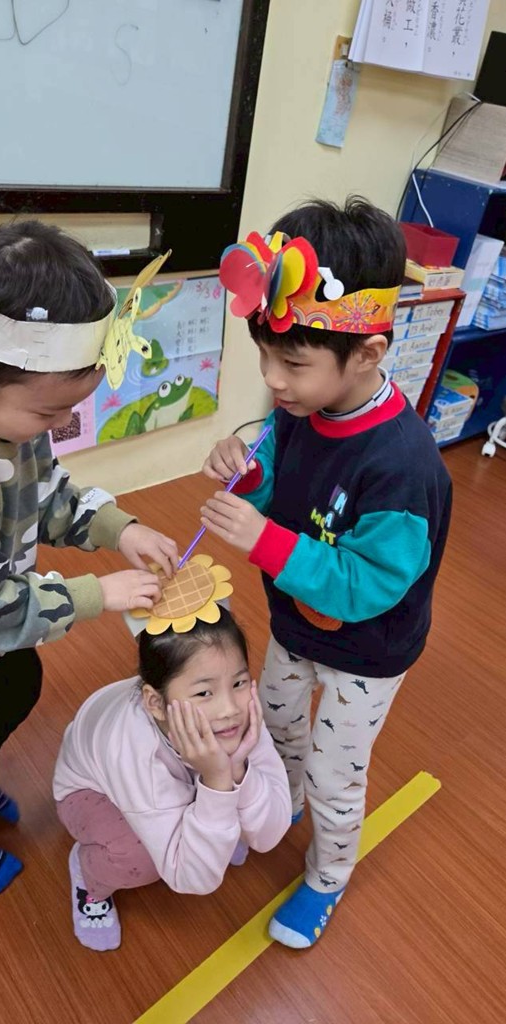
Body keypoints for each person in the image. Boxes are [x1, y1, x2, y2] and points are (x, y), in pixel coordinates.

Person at [200, 197, 452, 948]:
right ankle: (282, 802)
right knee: (276, 727)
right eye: (265, 357)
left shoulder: (404, 468)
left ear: (367, 354)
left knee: (335, 779)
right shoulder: (298, 411)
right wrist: (250, 476)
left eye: (293, 364)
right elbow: (280, 479)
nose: (273, 381)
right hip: (293, 623)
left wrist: (265, 542)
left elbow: (369, 585)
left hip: (366, 653)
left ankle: (327, 876)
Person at [0, 220, 178, 899]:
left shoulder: (13, 419)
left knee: (16, 686)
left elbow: (47, 493)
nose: (61, 425)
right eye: (49, 414)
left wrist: (118, 529)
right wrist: (100, 594)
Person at [53, 608, 291, 951]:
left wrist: (237, 766)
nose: (229, 709)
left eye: (239, 682)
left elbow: (268, 837)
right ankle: (90, 876)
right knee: (140, 860)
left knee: (233, 802)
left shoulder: (235, 717)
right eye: (204, 693)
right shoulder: (135, 753)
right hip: (89, 792)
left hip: (176, 770)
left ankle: (213, 799)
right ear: (156, 702)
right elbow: (191, 878)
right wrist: (218, 780)